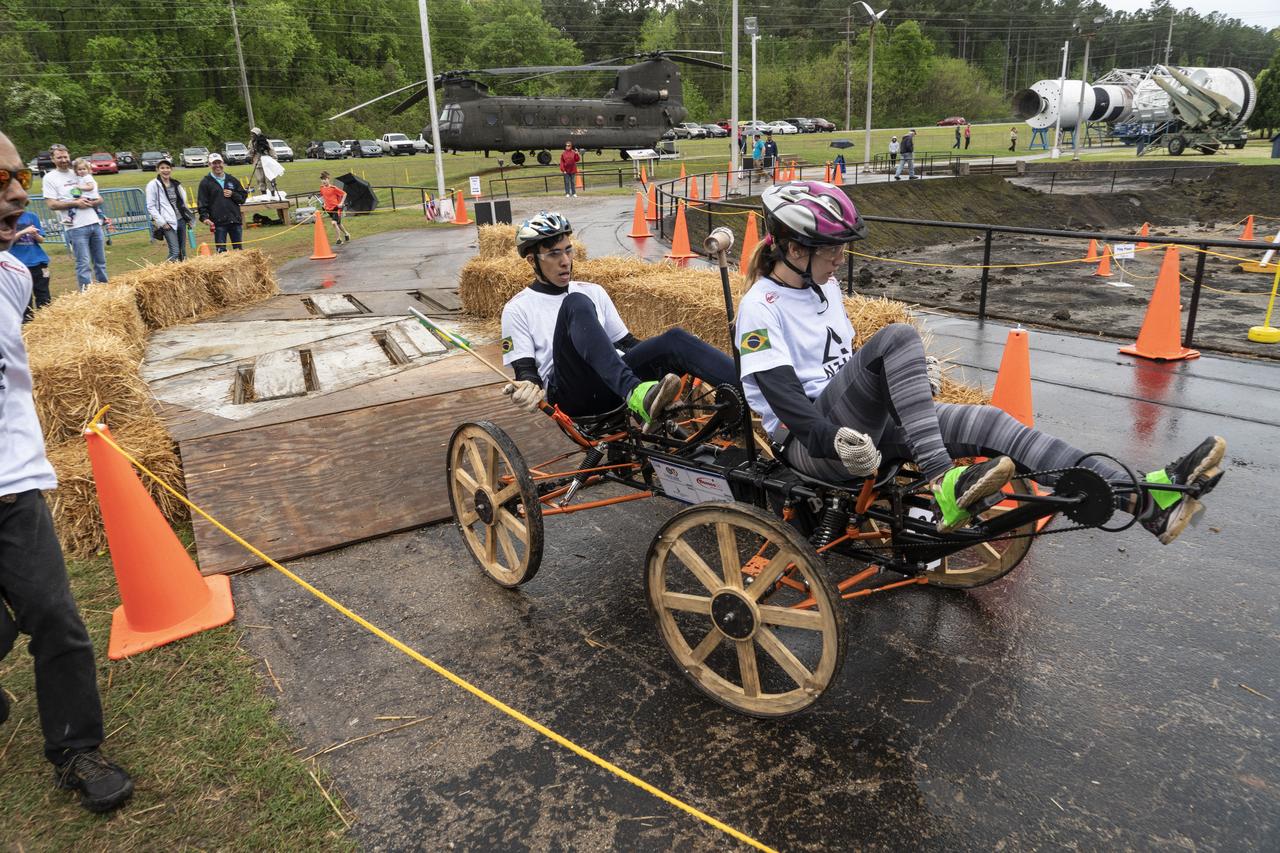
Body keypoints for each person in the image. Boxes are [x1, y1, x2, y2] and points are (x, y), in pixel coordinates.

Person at [735, 180, 1225, 540]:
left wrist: (900, 383)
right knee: (899, 335)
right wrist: (831, 436)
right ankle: (941, 479)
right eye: (832, 247)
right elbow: (786, 402)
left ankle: (1143, 497)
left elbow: (840, 363)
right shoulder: (761, 306)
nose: (842, 255)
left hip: (857, 427)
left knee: (992, 421)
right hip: (811, 441)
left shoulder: (826, 287)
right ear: (794, 247)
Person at [0, 130, 135, 813]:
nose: (18, 193)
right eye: (0, 181)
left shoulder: (14, 276)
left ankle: (76, 747)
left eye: (17, 176)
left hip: (12, 485)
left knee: (53, 613)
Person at [501, 211, 736, 424]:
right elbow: (526, 372)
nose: (565, 261)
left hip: (612, 384)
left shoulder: (594, 290)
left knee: (676, 339)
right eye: (554, 254)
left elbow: (625, 343)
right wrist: (528, 389)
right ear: (532, 260)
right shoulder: (518, 308)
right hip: (572, 394)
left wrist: (676, 353)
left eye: (568, 250)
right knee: (575, 302)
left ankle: (764, 396)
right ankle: (635, 392)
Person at [41, 145, 107, 291]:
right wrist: (75, 203)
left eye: (65, 156)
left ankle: (105, 291)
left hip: (94, 223)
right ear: (52, 159)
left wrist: (93, 202)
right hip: (75, 228)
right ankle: (86, 295)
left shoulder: (78, 172)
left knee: (100, 262)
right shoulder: (49, 178)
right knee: (83, 264)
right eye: (59, 157)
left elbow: (99, 197)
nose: (64, 160)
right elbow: (51, 204)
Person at [145, 159, 194, 262]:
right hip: (168, 222)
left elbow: (182, 203)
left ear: (171, 169)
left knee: (182, 251)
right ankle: (163, 273)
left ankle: (183, 274)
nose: (165, 170)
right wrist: (162, 222)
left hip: (180, 219)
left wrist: (187, 217)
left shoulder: (176, 184)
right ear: (157, 170)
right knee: (175, 251)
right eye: (162, 168)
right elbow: (151, 206)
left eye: (168, 168)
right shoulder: (153, 185)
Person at [197, 153, 247, 253]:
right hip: (218, 222)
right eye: (214, 163)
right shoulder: (205, 182)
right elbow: (202, 202)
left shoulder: (232, 179)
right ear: (209, 164)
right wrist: (204, 217)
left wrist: (233, 194)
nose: (217, 166)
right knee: (221, 251)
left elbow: (243, 198)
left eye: (219, 162)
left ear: (223, 163)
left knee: (238, 250)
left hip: (234, 220)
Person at [10, 208, 50, 320]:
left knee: (43, 294)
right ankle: (28, 324)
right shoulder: (5, 218)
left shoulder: (32, 216)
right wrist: (23, 232)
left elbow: (41, 239)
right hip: (17, 264)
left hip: (38, 261)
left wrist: (35, 235)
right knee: (24, 297)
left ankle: (47, 320)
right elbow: (6, 241)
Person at [318, 171, 352, 245]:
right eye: (322, 179)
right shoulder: (321, 188)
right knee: (338, 224)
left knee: (334, 223)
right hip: (328, 209)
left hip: (336, 208)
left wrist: (341, 203)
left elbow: (344, 194)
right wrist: (324, 203)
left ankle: (338, 239)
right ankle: (347, 234)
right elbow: (324, 196)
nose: (324, 181)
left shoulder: (333, 188)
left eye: (325, 179)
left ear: (328, 179)